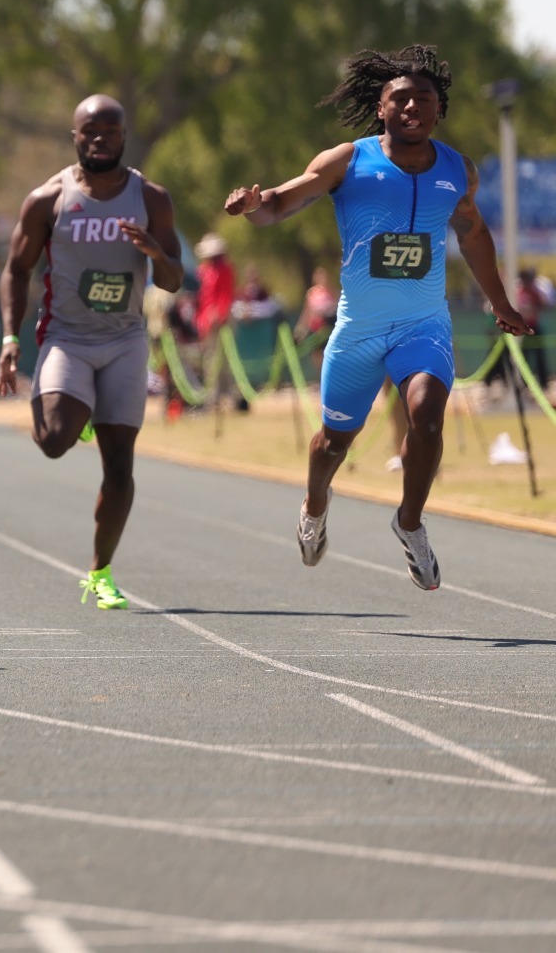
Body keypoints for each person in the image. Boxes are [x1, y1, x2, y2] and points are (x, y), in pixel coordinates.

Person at [223, 45, 528, 589]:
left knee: (427, 415)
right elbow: (280, 203)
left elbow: (474, 233)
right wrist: (254, 205)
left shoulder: (460, 170)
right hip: (359, 330)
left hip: (423, 325)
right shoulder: (349, 160)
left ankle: (409, 522)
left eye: (425, 99)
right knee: (332, 444)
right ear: (381, 108)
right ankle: (315, 505)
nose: (413, 107)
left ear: (439, 109)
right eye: (401, 99)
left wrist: (500, 303)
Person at [0, 95, 184, 610]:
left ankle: (101, 572)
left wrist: (152, 252)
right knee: (54, 441)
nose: (100, 138)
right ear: (74, 137)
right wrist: (11, 338)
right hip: (67, 338)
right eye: (89, 130)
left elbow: (173, 279)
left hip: (124, 341)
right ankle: (75, 409)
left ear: (124, 137)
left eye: (110, 129)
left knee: (119, 467)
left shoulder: (152, 198)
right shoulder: (48, 199)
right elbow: (16, 269)